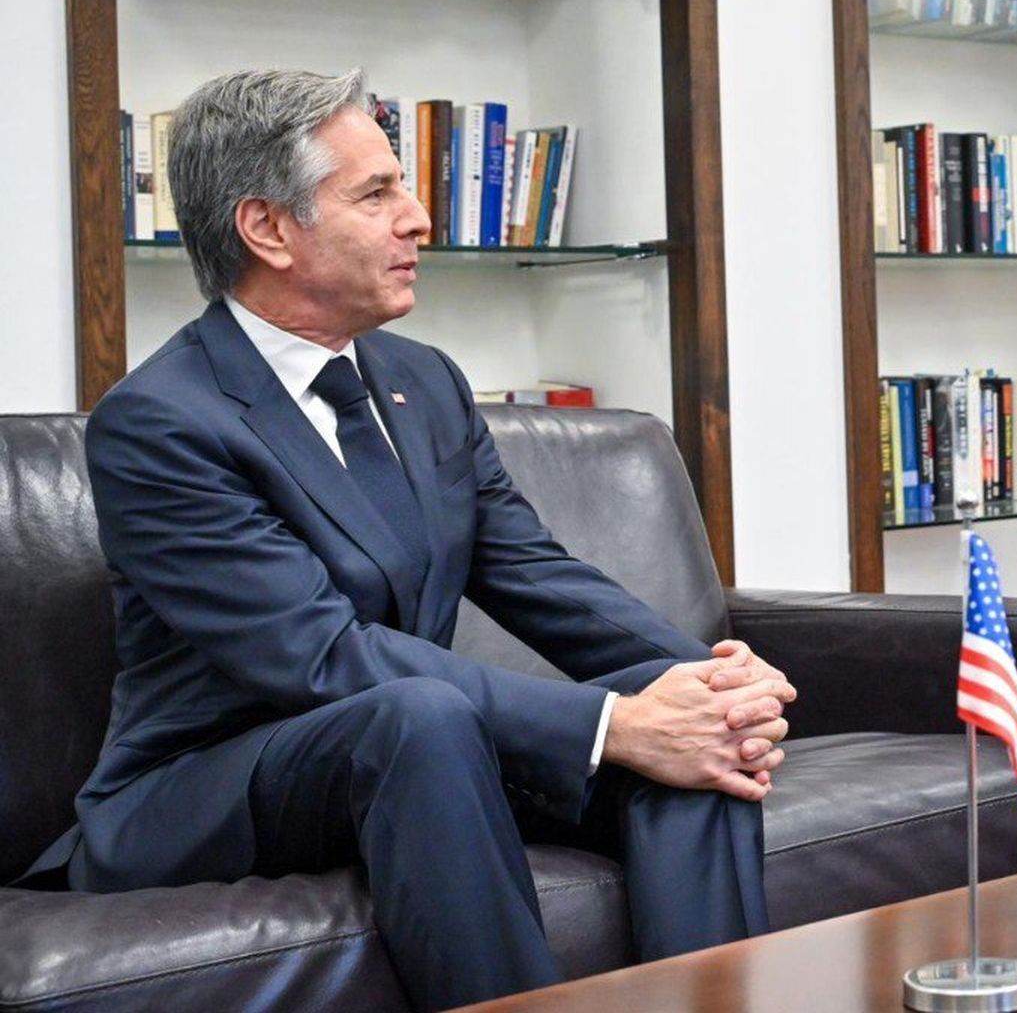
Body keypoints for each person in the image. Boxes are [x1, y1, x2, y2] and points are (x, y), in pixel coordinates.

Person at [17, 68, 793, 1010]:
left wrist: (703, 683)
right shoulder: (160, 423)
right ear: (268, 229)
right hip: (212, 784)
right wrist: (614, 725)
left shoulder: (422, 382)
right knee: (428, 715)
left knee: (676, 724)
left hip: (421, 760)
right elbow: (318, 658)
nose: (419, 217)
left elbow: (535, 573)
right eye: (377, 192)